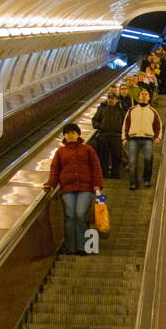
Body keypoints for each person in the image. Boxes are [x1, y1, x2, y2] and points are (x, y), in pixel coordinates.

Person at [44, 123, 104, 254]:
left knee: (80, 214)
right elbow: (55, 170)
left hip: (86, 188)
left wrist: (97, 185)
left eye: (73, 133)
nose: (70, 135)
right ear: (64, 136)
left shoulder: (87, 149)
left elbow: (96, 167)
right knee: (70, 216)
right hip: (67, 189)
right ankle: (71, 247)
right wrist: (50, 184)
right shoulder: (60, 152)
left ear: (78, 135)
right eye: (68, 133)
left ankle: (82, 246)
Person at [122, 88, 163, 189]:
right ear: (138, 97)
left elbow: (158, 125)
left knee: (148, 159)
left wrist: (158, 137)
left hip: (147, 138)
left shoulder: (153, 111)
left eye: (146, 94)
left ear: (149, 98)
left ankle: (146, 180)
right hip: (133, 138)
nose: (144, 96)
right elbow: (126, 124)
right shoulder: (132, 110)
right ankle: (133, 182)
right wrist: (124, 138)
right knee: (132, 161)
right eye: (142, 94)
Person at [91, 91, 126, 179]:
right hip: (104, 135)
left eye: (113, 99)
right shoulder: (102, 109)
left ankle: (115, 175)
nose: (111, 100)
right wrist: (100, 126)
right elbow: (94, 121)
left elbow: (126, 121)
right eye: (109, 98)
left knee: (117, 156)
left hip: (117, 136)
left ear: (116, 100)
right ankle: (104, 175)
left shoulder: (121, 109)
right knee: (103, 156)